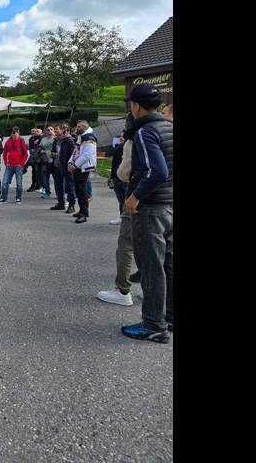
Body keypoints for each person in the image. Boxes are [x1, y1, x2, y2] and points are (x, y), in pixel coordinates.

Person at [120, 84, 173, 343]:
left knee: (151, 267)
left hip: (151, 208)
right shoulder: (169, 127)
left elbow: (157, 172)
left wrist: (134, 197)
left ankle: (153, 324)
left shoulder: (144, 131)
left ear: (136, 106)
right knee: (168, 264)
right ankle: (169, 316)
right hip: (170, 205)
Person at [97, 114, 138, 306]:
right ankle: (161, 296)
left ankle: (123, 291)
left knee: (126, 245)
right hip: (164, 200)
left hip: (140, 198)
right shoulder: (165, 132)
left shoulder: (138, 136)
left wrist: (136, 196)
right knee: (160, 247)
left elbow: (124, 171)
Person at [67, 120, 97, 224]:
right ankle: (81, 210)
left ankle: (84, 213)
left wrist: (75, 165)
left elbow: (87, 155)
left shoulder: (89, 138)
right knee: (79, 191)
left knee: (82, 191)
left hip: (83, 168)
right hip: (78, 167)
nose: (77, 128)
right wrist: (70, 162)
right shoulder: (81, 137)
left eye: (79, 127)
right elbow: (76, 151)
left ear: (84, 127)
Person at [0, 126, 29, 204]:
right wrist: (6, 162)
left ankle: (18, 198)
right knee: (5, 182)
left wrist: (22, 163)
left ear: (18, 133)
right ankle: (4, 198)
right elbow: (4, 153)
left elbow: (26, 154)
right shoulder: (8, 142)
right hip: (9, 165)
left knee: (19, 183)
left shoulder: (21, 141)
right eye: (12, 132)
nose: (13, 134)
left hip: (18, 166)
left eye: (15, 132)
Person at [50, 123, 76, 213]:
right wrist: (53, 154)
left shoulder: (69, 140)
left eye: (57, 129)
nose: (55, 131)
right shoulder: (56, 140)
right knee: (58, 186)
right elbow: (54, 150)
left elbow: (73, 154)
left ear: (63, 130)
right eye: (55, 129)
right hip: (57, 166)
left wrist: (70, 165)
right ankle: (61, 203)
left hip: (66, 166)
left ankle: (71, 205)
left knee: (69, 187)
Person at [108, 130, 127, 224]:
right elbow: (114, 163)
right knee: (121, 200)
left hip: (126, 179)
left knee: (127, 200)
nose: (121, 138)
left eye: (123, 136)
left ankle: (128, 219)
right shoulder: (118, 148)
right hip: (117, 178)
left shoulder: (131, 149)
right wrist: (111, 177)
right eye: (120, 136)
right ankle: (122, 217)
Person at [36, 126, 55, 199]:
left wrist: (46, 151)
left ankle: (59, 193)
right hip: (44, 160)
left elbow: (56, 149)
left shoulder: (55, 139)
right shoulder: (43, 139)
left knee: (56, 178)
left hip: (53, 161)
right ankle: (47, 192)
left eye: (51, 129)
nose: (49, 130)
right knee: (45, 177)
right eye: (48, 129)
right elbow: (40, 147)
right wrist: (40, 150)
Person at [26, 128, 43, 192]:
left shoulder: (41, 138)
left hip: (40, 158)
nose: (35, 132)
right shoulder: (32, 138)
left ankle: (37, 185)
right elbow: (30, 146)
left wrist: (39, 139)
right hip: (33, 157)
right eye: (33, 131)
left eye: (37, 131)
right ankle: (35, 185)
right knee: (35, 171)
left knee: (37, 172)